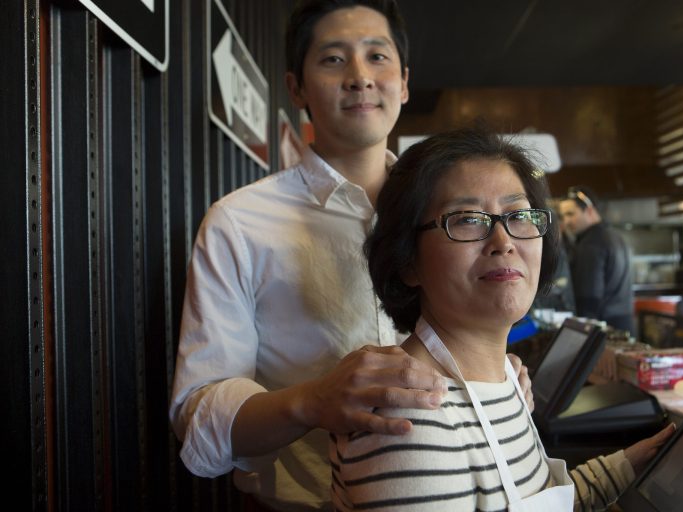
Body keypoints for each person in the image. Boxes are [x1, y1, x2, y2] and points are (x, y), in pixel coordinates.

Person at [168, 2, 532, 510]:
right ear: (296, 88)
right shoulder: (238, 221)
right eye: (334, 60)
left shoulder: (449, 210)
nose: (360, 77)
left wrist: (495, 370)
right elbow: (199, 417)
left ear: (404, 83)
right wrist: (312, 401)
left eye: (377, 56)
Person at [331, 127, 675, 511]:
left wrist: (632, 465)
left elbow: (538, 497)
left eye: (519, 215)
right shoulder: (410, 418)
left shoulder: (509, 380)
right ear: (408, 260)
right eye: (466, 219)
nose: (504, 241)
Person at [558, 186, 634, 333]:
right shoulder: (616, 236)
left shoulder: (591, 244)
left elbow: (589, 299)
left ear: (590, 210)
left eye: (570, 214)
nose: (566, 221)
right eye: (563, 216)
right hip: (625, 324)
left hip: (604, 330)